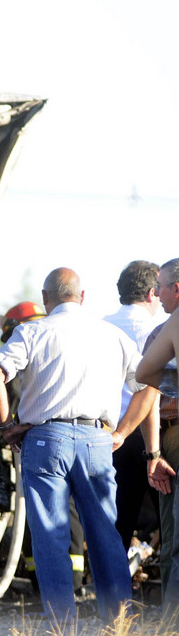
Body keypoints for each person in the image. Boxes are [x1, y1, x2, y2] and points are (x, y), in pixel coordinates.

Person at [0, 268, 147, 624]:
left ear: (46, 298)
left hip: (45, 440)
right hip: (97, 441)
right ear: (82, 297)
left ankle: (62, 627)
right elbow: (149, 384)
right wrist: (123, 430)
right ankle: (119, 625)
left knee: (50, 537)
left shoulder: (31, 331)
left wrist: (7, 426)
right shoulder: (112, 335)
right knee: (105, 533)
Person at [0, 302, 87, 591]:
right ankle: (74, 582)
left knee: (40, 511)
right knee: (70, 509)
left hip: (35, 444)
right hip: (79, 437)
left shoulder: (18, 358)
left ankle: (44, 582)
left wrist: (3, 429)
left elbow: (1, 404)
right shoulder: (59, 347)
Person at [104, 260, 165, 550]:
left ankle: (114, 593)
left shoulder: (100, 327)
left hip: (111, 436)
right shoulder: (161, 329)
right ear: (153, 292)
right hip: (156, 436)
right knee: (168, 520)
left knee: (118, 522)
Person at [138, 258, 179, 605]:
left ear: (176, 289)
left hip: (174, 437)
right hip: (170, 436)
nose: (156, 293)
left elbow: (146, 385)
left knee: (175, 536)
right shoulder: (161, 330)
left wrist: (154, 453)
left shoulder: (165, 332)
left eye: (161, 286)